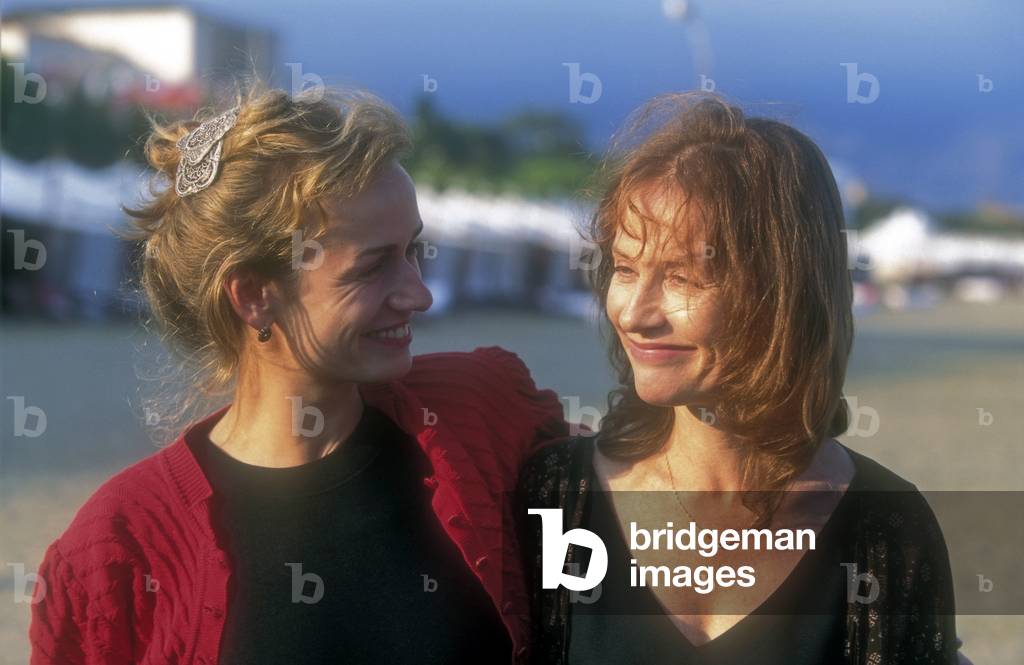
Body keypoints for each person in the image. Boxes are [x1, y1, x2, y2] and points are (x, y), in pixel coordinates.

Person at [29, 84, 566, 665]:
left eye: (413, 251)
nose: (420, 294)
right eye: (373, 266)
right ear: (255, 296)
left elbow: (636, 546)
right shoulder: (119, 549)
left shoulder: (481, 415)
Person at [518, 93, 962, 664]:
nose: (634, 313)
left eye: (681, 278)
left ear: (783, 293)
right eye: (626, 269)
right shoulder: (557, 497)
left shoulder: (885, 529)